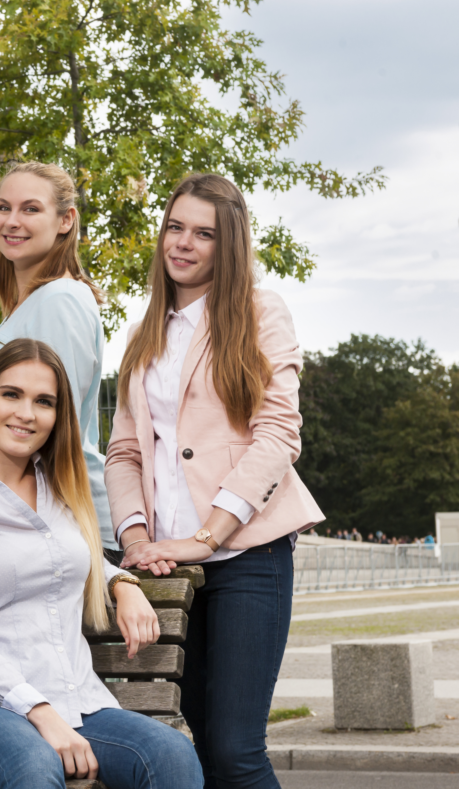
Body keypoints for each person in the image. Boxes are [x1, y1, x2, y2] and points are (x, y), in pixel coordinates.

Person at [106, 173, 324, 789]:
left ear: (228, 245)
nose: (183, 243)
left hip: (246, 556)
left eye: (203, 233)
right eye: (175, 227)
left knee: (235, 751)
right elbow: (124, 451)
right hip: (165, 566)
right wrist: (137, 534)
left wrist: (209, 534)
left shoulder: (261, 311)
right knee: (197, 746)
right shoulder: (143, 332)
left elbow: (279, 434)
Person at [0, 338, 202, 789]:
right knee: (32, 765)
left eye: (43, 402)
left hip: (79, 704)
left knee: (171, 755)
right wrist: (39, 712)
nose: (27, 413)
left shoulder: (62, 491)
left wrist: (122, 582)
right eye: (12, 394)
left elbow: (72, 556)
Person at [0, 162, 116, 556]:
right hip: (37, 520)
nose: (12, 221)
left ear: (66, 220)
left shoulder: (59, 301)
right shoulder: (35, 302)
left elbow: (53, 432)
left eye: (30, 209)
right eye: (3, 207)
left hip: (61, 525)